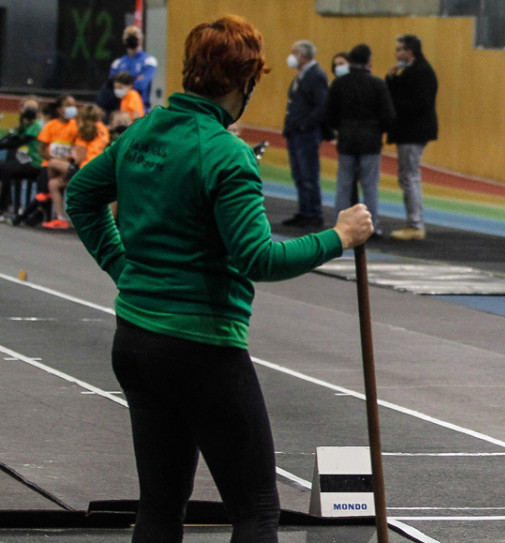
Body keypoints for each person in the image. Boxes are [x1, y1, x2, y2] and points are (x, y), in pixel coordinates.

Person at [65, 15, 373, 542]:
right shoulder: (227, 154)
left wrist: (125, 269)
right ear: (244, 81)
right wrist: (340, 237)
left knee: (160, 507)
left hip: (136, 341)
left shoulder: (143, 130)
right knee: (255, 510)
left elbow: (80, 196)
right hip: (202, 348)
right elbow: (259, 258)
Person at [325, 43, 395, 238]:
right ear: (368, 61)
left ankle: (339, 227)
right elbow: (388, 116)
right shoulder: (377, 84)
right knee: (370, 186)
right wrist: (379, 129)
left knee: (344, 185)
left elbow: (329, 114)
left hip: (346, 137)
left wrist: (340, 129)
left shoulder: (339, 84)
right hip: (370, 139)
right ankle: (371, 226)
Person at [385, 34, 438, 241]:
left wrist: (394, 104)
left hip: (412, 132)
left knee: (410, 177)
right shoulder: (412, 71)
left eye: (399, 49)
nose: (396, 53)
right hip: (410, 131)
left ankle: (415, 224)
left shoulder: (421, 72)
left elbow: (416, 104)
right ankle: (413, 222)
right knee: (407, 176)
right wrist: (392, 78)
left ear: (409, 51)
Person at [9, 95, 78, 226]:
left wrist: (65, 160)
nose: (72, 108)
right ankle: (38, 214)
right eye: (68, 105)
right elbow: (42, 150)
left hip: (67, 166)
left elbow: (77, 149)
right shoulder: (51, 126)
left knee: (53, 186)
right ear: (59, 109)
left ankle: (25, 216)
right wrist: (55, 160)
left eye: (73, 105)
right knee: (44, 190)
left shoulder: (76, 127)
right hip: (49, 164)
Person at [281, 40, 329, 228]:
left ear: (303, 55)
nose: (291, 57)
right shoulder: (301, 76)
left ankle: (314, 213)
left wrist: (304, 124)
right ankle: (304, 211)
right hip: (295, 132)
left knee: (308, 174)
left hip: (306, 134)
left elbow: (322, 105)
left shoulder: (316, 75)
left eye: (294, 53)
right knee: (299, 175)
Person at [43, 104, 109, 230]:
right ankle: (60, 211)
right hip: (99, 170)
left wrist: (71, 155)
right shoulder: (103, 129)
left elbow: (79, 158)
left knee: (52, 165)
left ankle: (61, 217)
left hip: (85, 171)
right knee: (54, 184)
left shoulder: (84, 131)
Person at [0, 96, 43, 218]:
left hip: (35, 163)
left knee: (6, 170)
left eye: (33, 108)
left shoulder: (37, 126)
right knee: (5, 168)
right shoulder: (22, 125)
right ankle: (7, 204)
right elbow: (9, 138)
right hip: (21, 161)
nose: (30, 110)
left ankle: (3, 208)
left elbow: (18, 142)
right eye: (27, 107)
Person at [104, 26, 157, 112]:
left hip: (141, 108)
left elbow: (141, 85)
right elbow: (111, 85)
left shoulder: (148, 61)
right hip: (119, 108)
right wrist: (135, 79)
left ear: (141, 39)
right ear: (124, 39)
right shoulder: (117, 63)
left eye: (135, 35)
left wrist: (122, 85)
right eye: (129, 35)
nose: (132, 38)